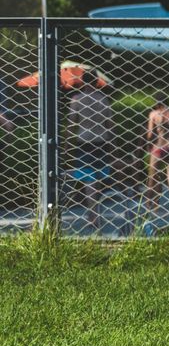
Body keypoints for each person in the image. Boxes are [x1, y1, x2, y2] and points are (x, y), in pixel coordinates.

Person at [67, 71, 112, 228]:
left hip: (84, 140)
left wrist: (67, 142)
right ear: (96, 82)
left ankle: (92, 215)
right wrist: (114, 146)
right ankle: (96, 212)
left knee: (88, 178)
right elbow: (109, 124)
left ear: (82, 82)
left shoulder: (77, 99)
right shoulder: (103, 99)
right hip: (102, 140)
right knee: (98, 177)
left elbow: (72, 123)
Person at [144, 99, 169, 221]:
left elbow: (150, 133)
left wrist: (148, 145)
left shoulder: (154, 114)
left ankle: (148, 206)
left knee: (152, 177)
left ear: (158, 104)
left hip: (159, 147)